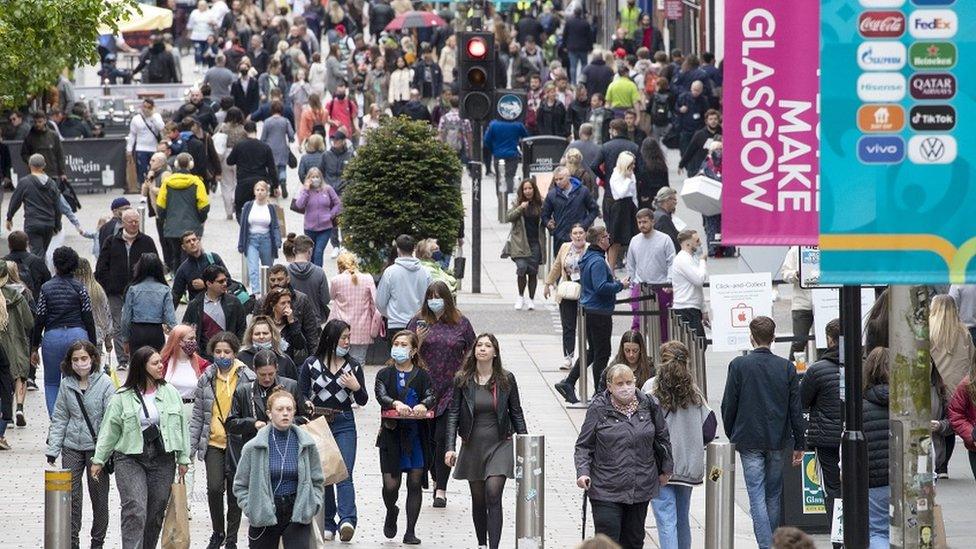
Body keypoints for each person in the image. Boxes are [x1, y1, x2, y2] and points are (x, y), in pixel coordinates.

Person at [91, 346, 190, 549]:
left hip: (163, 457)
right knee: (135, 508)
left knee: (155, 511)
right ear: (141, 367)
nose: (160, 366)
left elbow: (181, 427)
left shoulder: (170, 392)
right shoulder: (122, 396)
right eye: (155, 363)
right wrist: (98, 459)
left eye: (160, 362)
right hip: (130, 457)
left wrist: (183, 458)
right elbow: (109, 429)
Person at [721, 316, 806, 549]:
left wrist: (732, 432)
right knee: (772, 495)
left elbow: (729, 404)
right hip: (777, 438)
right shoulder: (786, 367)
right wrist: (800, 443)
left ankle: (766, 546)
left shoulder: (739, 365)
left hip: (748, 438)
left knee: (756, 495)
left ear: (751, 337)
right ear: (774, 337)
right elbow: (794, 409)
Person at [575, 363, 673, 549]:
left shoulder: (649, 404)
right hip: (606, 488)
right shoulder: (598, 408)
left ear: (635, 382)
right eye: (619, 383)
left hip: (640, 486)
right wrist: (583, 472)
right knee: (608, 542)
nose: (625, 387)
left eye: (629, 382)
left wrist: (666, 468)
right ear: (609, 386)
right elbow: (583, 445)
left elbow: (662, 438)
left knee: (634, 541)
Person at [445, 333, 527, 549]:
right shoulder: (462, 379)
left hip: (501, 443)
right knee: (479, 499)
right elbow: (453, 413)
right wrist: (450, 447)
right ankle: (482, 543)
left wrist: (527, 446)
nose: (482, 348)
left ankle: (494, 547)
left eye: (487, 345)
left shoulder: (506, 379)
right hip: (473, 445)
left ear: (495, 352)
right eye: (479, 345)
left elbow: (516, 412)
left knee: (493, 492)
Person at [402, 281, 476, 507]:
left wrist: (466, 373)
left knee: (444, 436)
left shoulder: (461, 323)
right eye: (430, 296)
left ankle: (441, 488)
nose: (434, 300)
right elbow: (403, 352)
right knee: (428, 438)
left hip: (451, 389)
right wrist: (419, 340)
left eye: (439, 296)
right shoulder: (418, 322)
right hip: (423, 389)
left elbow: (472, 348)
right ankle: (434, 477)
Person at [297, 320, 368, 541]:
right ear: (331, 338)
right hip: (319, 421)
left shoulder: (353, 365)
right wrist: (306, 403)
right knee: (325, 472)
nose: (347, 342)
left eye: (348, 337)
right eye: (343, 337)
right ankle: (327, 521)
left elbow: (363, 399)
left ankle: (347, 520)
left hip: (344, 421)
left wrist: (356, 387)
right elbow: (300, 393)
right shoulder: (311, 364)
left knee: (344, 471)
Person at [642, 340, 716, 549]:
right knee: (682, 518)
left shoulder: (651, 387)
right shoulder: (694, 390)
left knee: (666, 519)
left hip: (659, 464)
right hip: (687, 465)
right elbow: (709, 428)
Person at [232, 389, 325, 549]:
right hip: (264, 510)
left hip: (297, 509)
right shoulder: (253, 447)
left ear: (294, 411)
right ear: (269, 413)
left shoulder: (306, 444)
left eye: (289, 409)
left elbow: (318, 479)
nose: (285, 414)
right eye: (280, 409)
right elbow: (240, 485)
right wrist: (252, 508)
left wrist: (312, 504)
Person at [45, 341, 115, 549]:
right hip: (72, 446)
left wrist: (105, 452)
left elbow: (110, 420)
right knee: (72, 498)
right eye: (75, 359)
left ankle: (97, 542)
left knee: (99, 499)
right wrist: (53, 450)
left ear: (93, 359)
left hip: (97, 449)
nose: (79, 363)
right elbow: (60, 417)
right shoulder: (67, 384)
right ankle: (72, 541)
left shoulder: (105, 383)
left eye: (83, 358)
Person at [189, 331, 256, 549]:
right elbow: (198, 415)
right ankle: (218, 531)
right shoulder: (206, 378)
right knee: (214, 488)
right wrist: (189, 449)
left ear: (235, 353)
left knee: (236, 490)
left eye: (227, 351)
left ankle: (232, 538)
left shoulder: (248, 377)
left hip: (239, 443)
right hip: (213, 443)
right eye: (218, 351)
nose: (222, 355)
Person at [556, 227, 630, 403]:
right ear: (599, 240)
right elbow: (601, 286)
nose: (609, 238)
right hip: (598, 311)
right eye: (605, 236)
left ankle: (569, 382)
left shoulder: (589, 257)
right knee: (602, 352)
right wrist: (620, 285)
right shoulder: (597, 261)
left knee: (593, 351)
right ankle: (599, 392)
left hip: (591, 310)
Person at [375, 330, 436, 545]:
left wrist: (423, 404)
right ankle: (391, 510)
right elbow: (380, 394)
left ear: (413, 351)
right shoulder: (384, 374)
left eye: (404, 345)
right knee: (391, 486)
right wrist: (395, 403)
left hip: (416, 435)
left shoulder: (422, 375)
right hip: (392, 435)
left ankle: (410, 530)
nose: (399, 348)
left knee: (415, 482)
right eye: (396, 343)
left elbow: (431, 394)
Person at [33, 247, 98, 417]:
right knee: (79, 380)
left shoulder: (46, 288)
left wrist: (34, 347)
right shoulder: (80, 288)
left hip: (52, 337)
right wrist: (93, 347)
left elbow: (39, 318)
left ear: (55, 264)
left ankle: (56, 423)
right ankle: (76, 418)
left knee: (52, 383)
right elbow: (88, 318)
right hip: (77, 335)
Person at [96, 208, 158, 371]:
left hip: (139, 290)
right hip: (115, 291)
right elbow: (102, 266)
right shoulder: (111, 242)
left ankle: (137, 356)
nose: (134, 224)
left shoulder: (147, 242)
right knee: (117, 324)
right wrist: (107, 285)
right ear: (123, 223)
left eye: (136, 221)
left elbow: (155, 264)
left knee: (137, 322)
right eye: (130, 221)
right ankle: (123, 359)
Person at [799, 318, 842, 533]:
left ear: (829, 340)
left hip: (826, 439)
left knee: (833, 488)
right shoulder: (863, 365)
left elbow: (803, 401)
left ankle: (838, 534)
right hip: (857, 437)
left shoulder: (817, 370)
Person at [156, 152, 211, 273]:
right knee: (191, 256)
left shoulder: (167, 182)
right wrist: (200, 219)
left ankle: (178, 281)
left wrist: (166, 219)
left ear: (176, 165)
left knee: (176, 256)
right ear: (190, 165)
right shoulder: (197, 182)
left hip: (172, 227)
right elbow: (204, 206)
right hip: (192, 227)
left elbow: (160, 206)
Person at [545, 224, 588, 371]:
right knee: (568, 326)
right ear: (571, 236)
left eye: (581, 233)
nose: (578, 236)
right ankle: (568, 357)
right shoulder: (565, 247)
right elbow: (557, 266)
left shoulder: (590, 248)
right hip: (567, 289)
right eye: (575, 233)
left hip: (585, 290)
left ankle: (588, 355)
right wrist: (548, 283)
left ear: (585, 234)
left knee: (588, 325)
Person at [626, 208, 675, 335]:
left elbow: (671, 262)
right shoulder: (634, 240)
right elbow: (631, 264)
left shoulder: (665, 239)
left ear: (652, 221)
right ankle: (636, 350)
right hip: (640, 286)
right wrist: (632, 285)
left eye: (645, 222)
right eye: (639, 222)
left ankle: (663, 351)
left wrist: (669, 282)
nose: (642, 225)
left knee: (663, 323)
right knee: (637, 322)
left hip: (662, 286)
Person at [0, 262, 35, 436]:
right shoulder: (18, 295)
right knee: (19, 375)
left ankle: (6, 416)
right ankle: (19, 407)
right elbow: (29, 322)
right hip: (16, 340)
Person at [328, 252, 381, 366]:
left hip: (340, 327)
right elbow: (374, 303)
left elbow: (331, 297)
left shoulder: (336, 280)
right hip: (362, 328)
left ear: (339, 266)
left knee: (340, 362)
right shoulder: (367, 278)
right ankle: (357, 383)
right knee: (359, 362)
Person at [183, 265, 247, 359]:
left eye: (225, 280)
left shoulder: (234, 303)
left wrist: (234, 349)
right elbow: (186, 330)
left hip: (229, 356)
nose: (225, 283)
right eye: (220, 281)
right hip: (204, 358)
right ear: (209, 283)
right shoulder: (195, 305)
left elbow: (242, 327)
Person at [5, 154, 64, 257]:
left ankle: (38, 272)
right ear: (44, 165)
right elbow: (57, 207)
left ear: (29, 165)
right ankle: (42, 271)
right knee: (41, 253)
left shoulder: (25, 182)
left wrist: (9, 217)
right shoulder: (52, 184)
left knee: (37, 255)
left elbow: (15, 201)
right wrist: (57, 224)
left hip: (33, 223)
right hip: (48, 224)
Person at [377, 235, 433, 342]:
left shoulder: (390, 272)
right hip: (419, 324)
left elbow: (380, 302)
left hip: (396, 324)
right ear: (414, 249)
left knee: (397, 357)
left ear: (398, 249)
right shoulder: (425, 272)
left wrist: (390, 314)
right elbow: (430, 298)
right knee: (418, 357)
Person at [861, 347, 890, 549]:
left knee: (877, 532)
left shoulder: (860, 407)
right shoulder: (907, 403)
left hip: (874, 480)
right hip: (903, 480)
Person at [121, 253, 176, 354]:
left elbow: (126, 318)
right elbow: (170, 318)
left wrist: (125, 339)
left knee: (137, 366)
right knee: (156, 364)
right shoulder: (165, 290)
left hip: (137, 331)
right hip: (156, 332)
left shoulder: (133, 289)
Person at [505, 178, 546, 311]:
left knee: (533, 272)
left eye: (530, 188)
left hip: (535, 242)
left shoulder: (541, 204)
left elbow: (546, 219)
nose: (528, 191)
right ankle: (520, 296)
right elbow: (509, 217)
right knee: (521, 268)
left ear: (534, 189)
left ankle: (531, 299)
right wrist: (520, 208)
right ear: (522, 191)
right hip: (520, 242)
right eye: (525, 189)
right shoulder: (516, 203)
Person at [540, 166, 600, 257]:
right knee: (562, 266)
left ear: (568, 177)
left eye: (561, 178)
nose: (558, 182)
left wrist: (584, 225)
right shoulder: (552, 195)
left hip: (579, 236)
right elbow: (544, 214)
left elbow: (594, 210)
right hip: (560, 237)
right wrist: (549, 224)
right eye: (556, 179)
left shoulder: (583, 191)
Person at [227, 121, 279, 218]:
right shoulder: (265, 147)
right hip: (260, 183)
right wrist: (275, 186)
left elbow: (229, 161)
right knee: (261, 209)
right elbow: (272, 168)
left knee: (240, 209)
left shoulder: (239, 146)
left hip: (243, 182)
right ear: (256, 130)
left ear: (244, 131)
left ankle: (245, 227)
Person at [237, 180, 282, 294]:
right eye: (258, 190)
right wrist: (241, 244)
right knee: (253, 269)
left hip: (266, 240)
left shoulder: (270, 208)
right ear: (254, 192)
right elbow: (243, 227)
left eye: (262, 190)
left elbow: (275, 225)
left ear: (267, 192)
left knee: (268, 269)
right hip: (251, 240)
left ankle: (268, 292)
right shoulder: (248, 206)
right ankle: (256, 293)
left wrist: (278, 240)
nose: (260, 192)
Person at [295, 167, 342, 266]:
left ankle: (318, 275)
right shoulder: (305, 190)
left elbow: (338, 203)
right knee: (310, 254)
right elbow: (299, 205)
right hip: (309, 228)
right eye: (313, 177)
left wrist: (331, 214)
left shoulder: (327, 189)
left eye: (317, 177)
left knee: (318, 252)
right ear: (308, 178)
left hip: (325, 228)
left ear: (321, 178)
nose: (315, 179)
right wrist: (306, 190)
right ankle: (310, 273)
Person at [320, 130, 354, 258]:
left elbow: (354, 173)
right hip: (329, 190)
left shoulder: (350, 155)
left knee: (344, 218)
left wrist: (350, 187)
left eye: (337, 140)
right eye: (333, 140)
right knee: (332, 219)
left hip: (344, 190)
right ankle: (335, 245)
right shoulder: (326, 155)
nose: (335, 143)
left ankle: (345, 244)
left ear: (343, 141)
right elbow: (320, 171)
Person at [171, 231, 227, 307]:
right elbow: (176, 295)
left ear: (198, 241)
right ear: (183, 247)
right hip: (198, 310)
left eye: (194, 239)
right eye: (188, 241)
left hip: (219, 305)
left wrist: (205, 285)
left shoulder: (214, 258)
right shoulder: (183, 269)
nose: (192, 243)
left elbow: (229, 281)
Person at [670, 229, 708, 341]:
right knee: (697, 344)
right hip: (685, 308)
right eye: (697, 240)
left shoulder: (690, 258)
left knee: (699, 343)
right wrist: (702, 261)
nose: (700, 243)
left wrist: (703, 309)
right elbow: (699, 280)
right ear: (688, 243)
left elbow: (698, 287)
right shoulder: (683, 259)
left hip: (691, 307)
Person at [284, 234, 331, 322]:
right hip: (314, 320)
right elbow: (326, 300)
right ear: (310, 251)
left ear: (294, 250)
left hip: (292, 320)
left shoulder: (286, 272)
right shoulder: (319, 272)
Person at [237, 315, 298, 380]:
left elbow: (293, 385)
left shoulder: (284, 359)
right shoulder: (241, 357)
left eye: (265, 333)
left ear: (272, 334)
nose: (261, 337)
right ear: (250, 336)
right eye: (257, 334)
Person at [781, 247, 814, 363]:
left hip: (824, 302)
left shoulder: (829, 245)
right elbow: (784, 273)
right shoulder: (796, 249)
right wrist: (796, 274)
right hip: (801, 303)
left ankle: (823, 372)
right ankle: (791, 373)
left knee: (825, 341)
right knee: (799, 341)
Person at [606, 151, 639, 269]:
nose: (634, 166)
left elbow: (634, 193)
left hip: (630, 206)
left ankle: (633, 268)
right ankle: (611, 269)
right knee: (615, 241)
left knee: (634, 238)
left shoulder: (631, 174)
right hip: (619, 207)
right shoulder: (616, 175)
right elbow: (620, 193)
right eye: (631, 164)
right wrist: (628, 180)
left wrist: (636, 207)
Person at [262, 287, 309, 365]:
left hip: (286, 364)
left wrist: (292, 322)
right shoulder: (264, 322)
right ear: (273, 305)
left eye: (289, 302)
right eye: (283, 303)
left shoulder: (292, 322)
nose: (287, 306)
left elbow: (300, 345)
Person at [483, 118, 529, 195]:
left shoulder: (494, 124)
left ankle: (500, 199)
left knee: (499, 177)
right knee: (510, 177)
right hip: (512, 154)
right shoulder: (517, 124)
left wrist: (494, 149)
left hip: (498, 155)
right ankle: (509, 198)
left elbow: (487, 140)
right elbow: (526, 138)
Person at [260, 100, 295, 196]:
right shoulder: (285, 121)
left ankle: (272, 186)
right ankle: (283, 180)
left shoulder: (267, 121)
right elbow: (291, 134)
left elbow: (263, 137)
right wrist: (291, 140)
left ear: (271, 110)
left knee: (271, 168)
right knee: (282, 167)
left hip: (270, 148)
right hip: (282, 147)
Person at [127, 98, 166, 183]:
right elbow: (132, 134)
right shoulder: (136, 119)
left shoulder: (156, 116)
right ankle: (143, 187)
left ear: (152, 108)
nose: (146, 109)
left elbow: (161, 127)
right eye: (144, 107)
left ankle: (154, 185)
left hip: (154, 148)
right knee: (142, 170)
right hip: (141, 148)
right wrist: (129, 149)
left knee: (155, 169)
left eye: (149, 107)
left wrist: (153, 116)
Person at [5, 229, 51, 297]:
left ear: (9, 245)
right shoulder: (37, 262)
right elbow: (48, 283)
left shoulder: (3, 263)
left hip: (8, 304)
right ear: (27, 244)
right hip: (33, 303)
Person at [678, 109, 721, 175]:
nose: (713, 121)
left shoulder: (723, 133)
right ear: (706, 121)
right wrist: (681, 165)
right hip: (701, 168)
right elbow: (690, 151)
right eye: (711, 119)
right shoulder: (700, 134)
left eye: (715, 119)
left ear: (718, 121)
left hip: (718, 168)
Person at [638, 137, 669, 211]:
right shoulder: (661, 164)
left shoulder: (642, 164)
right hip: (660, 194)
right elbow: (666, 182)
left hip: (647, 196)